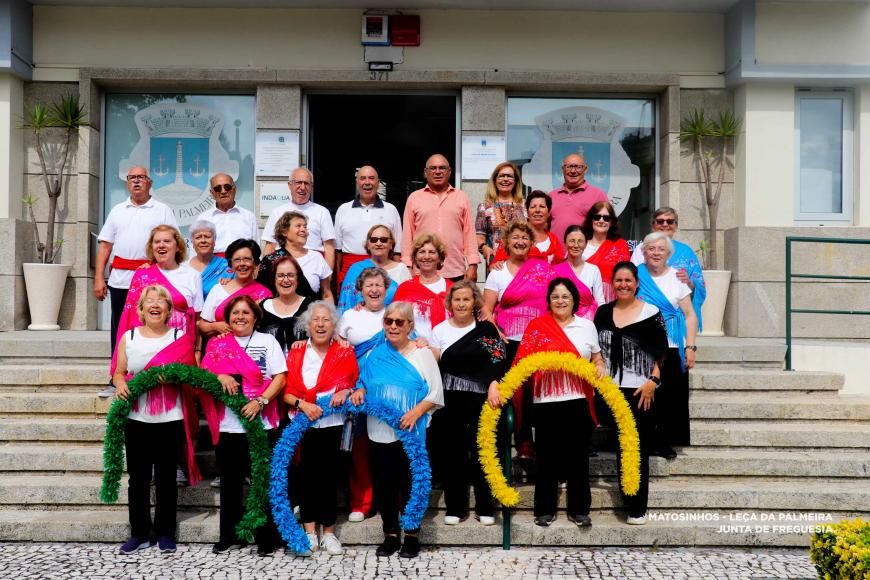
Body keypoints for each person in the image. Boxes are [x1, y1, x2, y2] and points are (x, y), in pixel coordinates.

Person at [510, 278, 605, 528]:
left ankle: (580, 510)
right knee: (547, 458)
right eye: (555, 297)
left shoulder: (587, 326)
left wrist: (600, 366)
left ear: (574, 301)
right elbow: (521, 363)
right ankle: (544, 510)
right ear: (548, 301)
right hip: (546, 402)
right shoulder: (537, 327)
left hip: (578, 401)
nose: (560, 301)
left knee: (578, 458)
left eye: (565, 296)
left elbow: (597, 357)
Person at [354, 301, 443, 558]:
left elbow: (436, 393)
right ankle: (390, 535)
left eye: (399, 322)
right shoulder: (375, 355)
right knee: (384, 485)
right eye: (389, 321)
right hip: (378, 431)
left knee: (409, 484)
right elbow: (363, 383)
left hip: (411, 432)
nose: (393, 326)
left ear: (410, 326)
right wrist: (360, 390)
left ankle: (412, 536)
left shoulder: (422, 353)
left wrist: (415, 413)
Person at [112, 285, 197, 555]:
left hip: (170, 418)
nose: (155, 304)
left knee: (166, 479)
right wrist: (119, 384)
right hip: (137, 418)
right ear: (141, 309)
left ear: (169, 310)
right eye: (149, 301)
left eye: (161, 301)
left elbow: (190, 373)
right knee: (137, 479)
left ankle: (165, 533)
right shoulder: (129, 336)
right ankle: (138, 532)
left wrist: (174, 376)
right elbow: (119, 372)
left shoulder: (178, 336)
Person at [201, 295, 287, 556]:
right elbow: (203, 375)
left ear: (255, 316)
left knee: (262, 482)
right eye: (235, 313)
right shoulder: (217, 344)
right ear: (227, 318)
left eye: (245, 313)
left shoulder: (267, 341)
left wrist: (260, 401)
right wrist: (220, 375)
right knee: (230, 484)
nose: (240, 317)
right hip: (229, 425)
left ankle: (265, 537)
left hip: (261, 423)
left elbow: (280, 378)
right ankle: (230, 535)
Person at [594, 262, 669, 526]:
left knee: (637, 448)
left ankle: (637, 507)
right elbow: (595, 350)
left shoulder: (651, 312)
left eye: (628, 280)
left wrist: (652, 381)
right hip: (610, 391)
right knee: (619, 446)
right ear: (612, 284)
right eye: (618, 280)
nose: (623, 285)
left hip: (641, 391)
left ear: (637, 283)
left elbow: (662, 352)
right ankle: (627, 496)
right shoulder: (602, 313)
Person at [283, 301, 359, 555]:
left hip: (333, 423)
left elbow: (354, 382)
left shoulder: (344, 352)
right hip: (303, 423)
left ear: (334, 325)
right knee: (306, 478)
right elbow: (286, 391)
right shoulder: (295, 353)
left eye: (326, 320)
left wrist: (347, 390)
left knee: (330, 478)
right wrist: (303, 404)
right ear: (307, 325)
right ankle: (308, 531)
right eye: (316, 320)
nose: (320, 324)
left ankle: (328, 532)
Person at [94, 166, 178, 396]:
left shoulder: (162, 210)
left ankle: (148, 374)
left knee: (151, 327)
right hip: (120, 279)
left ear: (150, 182)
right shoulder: (118, 210)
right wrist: (99, 277)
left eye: (141, 177)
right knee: (119, 330)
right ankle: (116, 378)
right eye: (132, 178)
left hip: (152, 281)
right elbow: (105, 246)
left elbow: (171, 243)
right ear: (127, 183)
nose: (137, 181)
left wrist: (152, 264)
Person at [429, 281, 508, 526]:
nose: (461, 304)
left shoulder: (486, 329)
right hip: (449, 400)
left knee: (483, 452)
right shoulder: (440, 330)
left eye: (466, 299)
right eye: (456, 300)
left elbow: (498, 360)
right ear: (450, 304)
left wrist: (495, 383)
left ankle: (485, 506)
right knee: (453, 454)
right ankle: (456, 507)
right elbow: (433, 362)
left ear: (474, 302)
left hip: (482, 399)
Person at [337, 267, 392, 523]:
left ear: (386, 288)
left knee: (388, 448)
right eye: (368, 285)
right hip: (356, 390)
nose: (374, 289)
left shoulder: (394, 314)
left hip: (387, 390)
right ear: (359, 290)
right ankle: (361, 503)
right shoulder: (349, 315)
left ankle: (391, 501)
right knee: (359, 448)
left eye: (378, 285)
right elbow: (336, 348)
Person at [637, 232, 698, 460]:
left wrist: (690, 347)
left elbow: (690, 315)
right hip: (644, 344)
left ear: (668, 253)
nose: (655, 253)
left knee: (671, 396)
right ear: (643, 251)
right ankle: (646, 440)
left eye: (660, 249)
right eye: (651, 248)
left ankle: (665, 441)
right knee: (646, 394)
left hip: (673, 344)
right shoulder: (637, 275)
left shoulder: (677, 278)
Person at [110, 224, 203, 374]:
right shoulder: (142, 275)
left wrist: (197, 352)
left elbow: (197, 318)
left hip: (181, 344)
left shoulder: (192, 275)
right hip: (148, 346)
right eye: (157, 242)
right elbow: (130, 316)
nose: (161, 245)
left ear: (178, 246)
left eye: (167, 241)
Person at [401, 154, 479, 282]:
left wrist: (472, 265)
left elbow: (469, 233)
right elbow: (407, 236)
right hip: (421, 271)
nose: (437, 172)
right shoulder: (414, 198)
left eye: (442, 168)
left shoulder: (461, 197)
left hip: (454, 270)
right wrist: (407, 266)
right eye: (433, 168)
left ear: (449, 172)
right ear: (425, 173)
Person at [631, 207, 706, 331]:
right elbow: (633, 281)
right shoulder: (641, 249)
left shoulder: (686, 252)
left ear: (676, 226)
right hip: (646, 318)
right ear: (653, 225)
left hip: (677, 319)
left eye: (670, 221)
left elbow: (700, 286)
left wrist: (688, 282)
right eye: (660, 221)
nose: (665, 224)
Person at [334, 166, 403, 286]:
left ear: (378, 182)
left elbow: (397, 251)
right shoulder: (343, 209)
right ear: (357, 182)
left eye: (371, 178)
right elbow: (337, 251)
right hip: (350, 272)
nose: (367, 182)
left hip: (383, 272)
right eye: (363, 178)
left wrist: (397, 280)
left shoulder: (391, 210)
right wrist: (336, 280)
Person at [262, 167, 336, 270]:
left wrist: (328, 277)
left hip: (313, 267)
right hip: (283, 268)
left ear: (311, 187)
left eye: (306, 183)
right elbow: (270, 246)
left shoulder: (322, 212)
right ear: (290, 185)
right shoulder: (277, 212)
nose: (302, 187)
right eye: (298, 183)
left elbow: (329, 247)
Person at [199, 239, 272, 341]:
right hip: (220, 349)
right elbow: (202, 325)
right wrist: (216, 326)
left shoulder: (265, 294)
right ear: (231, 265)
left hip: (253, 349)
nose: (242, 264)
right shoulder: (218, 289)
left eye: (247, 259)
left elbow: (267, 328)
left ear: (255, 263)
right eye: (237, 260)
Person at [337, 224, 409, 315]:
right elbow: (346, 303)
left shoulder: (401, 269)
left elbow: (408, 304)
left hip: (393, 324)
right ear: (368, 245)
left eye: (384, 240)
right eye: (374, 240)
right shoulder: (355, 269)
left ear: (391, 245)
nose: (378, 243)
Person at [393, 234, 453, 343]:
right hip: (414, 351)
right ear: (415, 258)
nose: (426, 256)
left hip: (447, 350)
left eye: (432, 252)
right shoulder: (405, 288)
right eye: (422, 252)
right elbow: (395, 322)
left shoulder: (452, 289)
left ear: (440, 258)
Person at [265, 211, 333, 302]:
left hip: (309, 313)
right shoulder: (271, 260)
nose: (303, 230)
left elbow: (327, 294)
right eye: (298, 226)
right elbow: (263, 294)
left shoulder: (316, 257)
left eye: (305, 226)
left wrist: (330, 314)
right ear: (284, 232)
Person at [257, 255, 313, 355]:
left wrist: (308, 343)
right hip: (270, 368)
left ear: (298, 278)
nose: (286, 280)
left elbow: (323, 337)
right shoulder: (263, 307)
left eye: (291, 275)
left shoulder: (311, 307)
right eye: (280, 275)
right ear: (274, 279)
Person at [548, 153, 609, 243]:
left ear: (585, 169)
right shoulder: (551, 196)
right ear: (562, 169)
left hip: (586, 255)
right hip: (556, 255)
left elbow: (608, 227)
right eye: (569, 167)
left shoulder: (598, 195)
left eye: (578, 167)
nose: (573, 171)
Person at [476, 162, 526, 269]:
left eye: (509, 176)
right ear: (495, 180)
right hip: (495, 263)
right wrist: (483, 247)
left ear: (515, 181)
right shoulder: (485, 207)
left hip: (522, 262)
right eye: (502, 176)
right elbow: (479, 236)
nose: (505, 179)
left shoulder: (525, 206)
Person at [493, 191, 564, 265]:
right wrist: (496, 264)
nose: (537, 210)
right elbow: (496, 265)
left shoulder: (554, 240)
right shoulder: (512, 236)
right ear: (527, 212)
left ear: (549, 212)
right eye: (533, 207)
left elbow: (561, 268)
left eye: (542, 207)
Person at [194, 173, 259, 255]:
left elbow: (256, 248)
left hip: (242, 264)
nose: (223, 191)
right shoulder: (203, 219)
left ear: (234, 189)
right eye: (218, 188)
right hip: (213, 265)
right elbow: (195, 251)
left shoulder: (249, 216)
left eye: (227, 187)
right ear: (212, 193)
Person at [552, 225, 605, 320]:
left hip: (588, 322)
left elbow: (600, 302)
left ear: (585, 244)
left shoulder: (593, 270)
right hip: (561, 321)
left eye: (580, 241)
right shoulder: (555, 270)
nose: (576, 245)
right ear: (565, 243)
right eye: (572, 241)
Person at [582, 200, 630, 302]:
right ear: (591, 220)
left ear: (612, 222)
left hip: (612, 302)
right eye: (597, 217)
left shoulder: (620, 246)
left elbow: (625, 277)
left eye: (606, 218)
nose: (601, 220)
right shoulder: (580, 245)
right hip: (583, 301)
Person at [186, 220, 231, 302]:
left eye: (207, 236)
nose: (203, 241)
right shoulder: (184, 267)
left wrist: (232, 283)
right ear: (192, 241)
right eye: (198, 237)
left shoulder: (227, 266)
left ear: (215, 240)